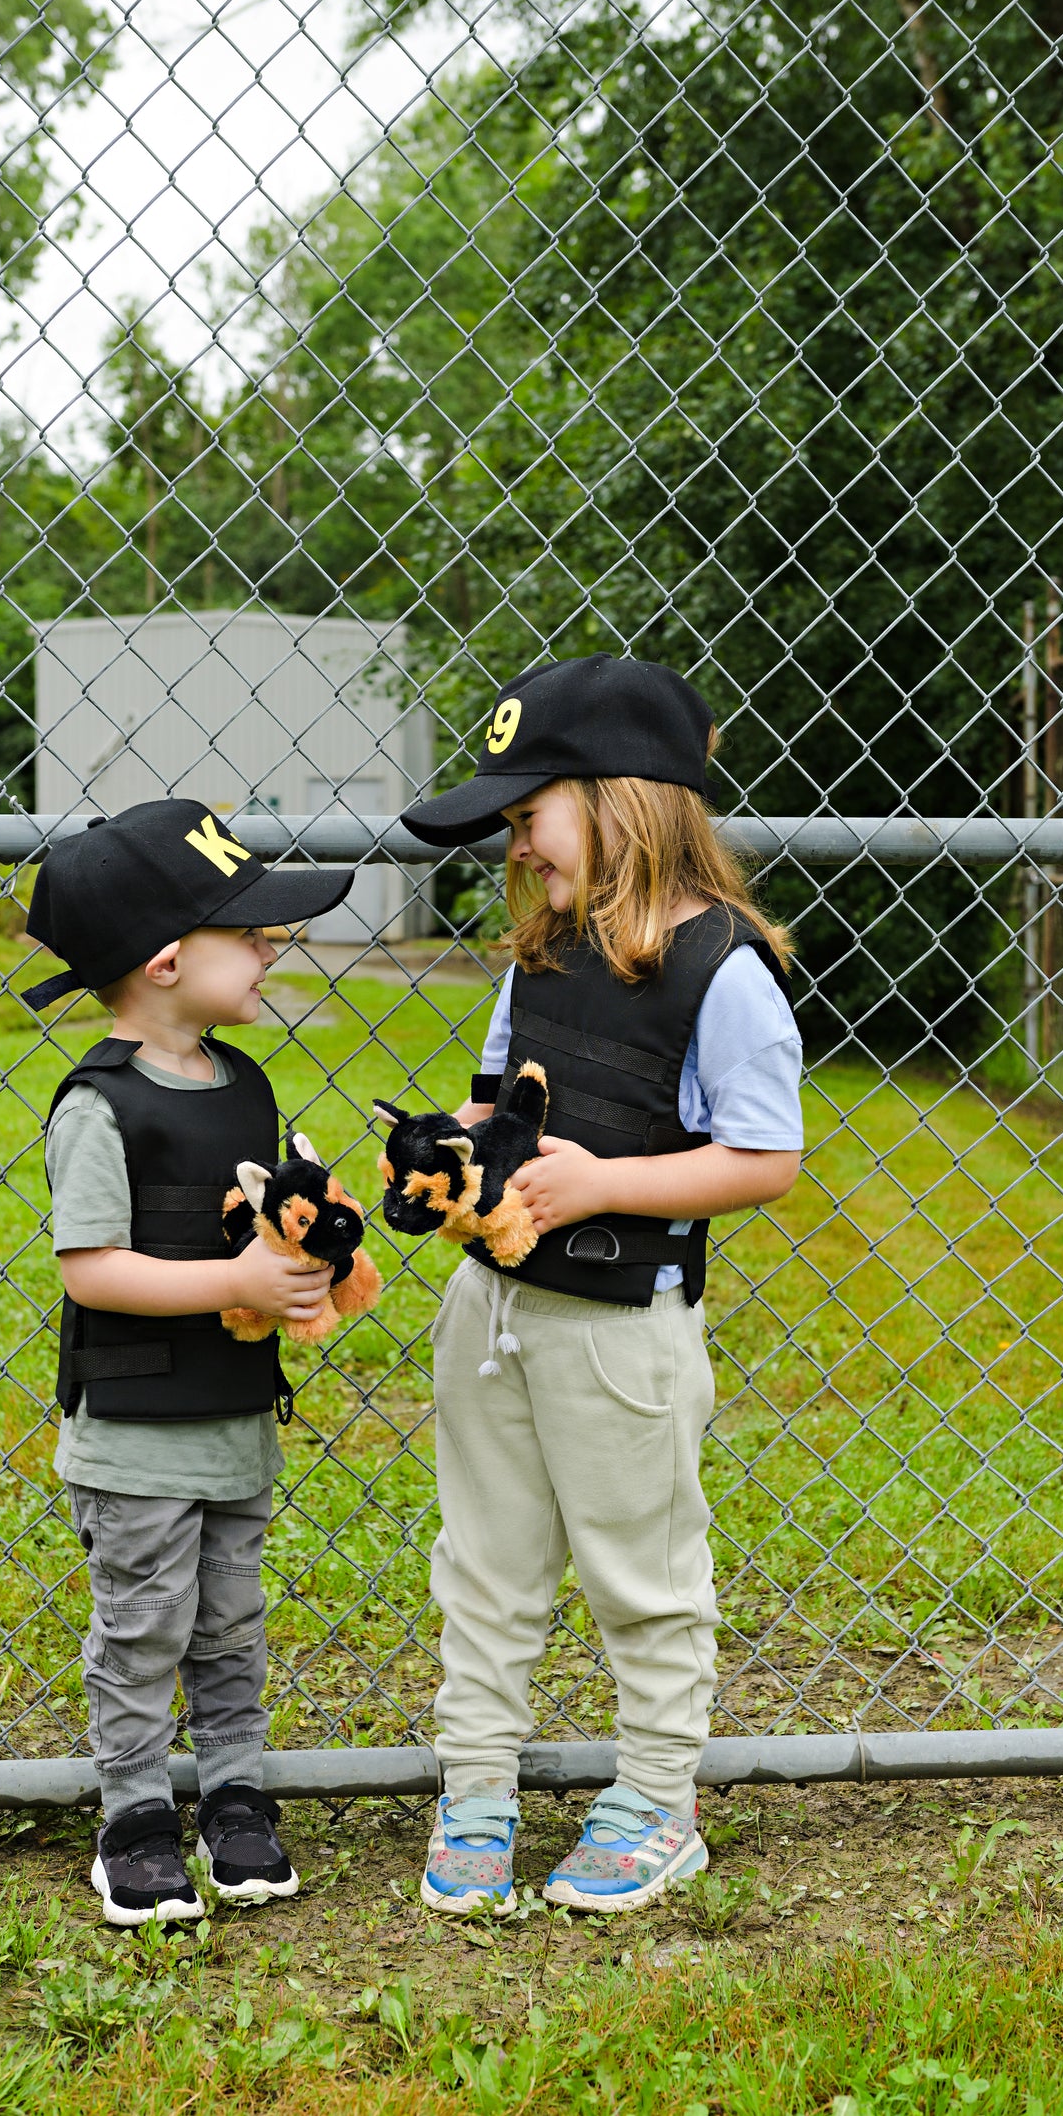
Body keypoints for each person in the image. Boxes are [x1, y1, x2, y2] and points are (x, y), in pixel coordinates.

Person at [397, 655, 803, 1916]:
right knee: (484, 1560)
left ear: (623, 800)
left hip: (623, 1328)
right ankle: (475, 1788)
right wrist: (435, 1152)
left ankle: (654, 1800)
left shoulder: (720, 968)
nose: (515, 845)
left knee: (641, 1570)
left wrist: (608, 1185)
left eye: (530, 813)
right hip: (493, 1314)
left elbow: (766, 1160)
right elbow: (492, 1099)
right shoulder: (539, 958)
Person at [22, 799, 353, 1927]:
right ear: (166, 961)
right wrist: (236, 1288)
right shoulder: (101, 1108)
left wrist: (310, 1254)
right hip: (134, 1436)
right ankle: (133, 1819)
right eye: (248, 932)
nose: (272, 949)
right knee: (142, 1626)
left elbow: (258, 1226)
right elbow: (94, 1272)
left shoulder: (247, 1088)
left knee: (228, 1623)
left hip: (231, 1424)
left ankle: (235, 1798)